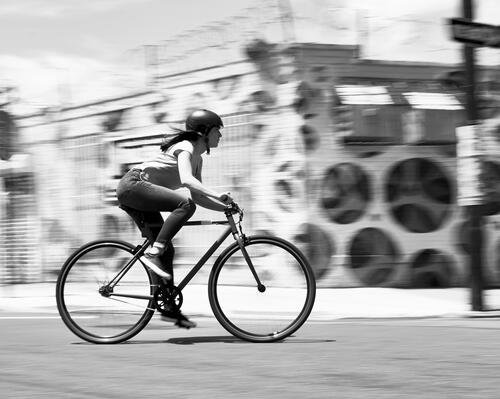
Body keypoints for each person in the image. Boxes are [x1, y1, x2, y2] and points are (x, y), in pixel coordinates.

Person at [116, 109, 233, 328]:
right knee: (183, 206)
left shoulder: (197, 160)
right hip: (133, 186)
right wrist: (219, 194)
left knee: (168, 248)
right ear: (204, 131)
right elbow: (187, 181)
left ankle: (169, 307)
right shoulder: (185, 148)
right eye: (218, 130)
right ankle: (153, 253)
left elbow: (199, 197)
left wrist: (226, 208)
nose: (221, 136)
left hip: (141, 195)